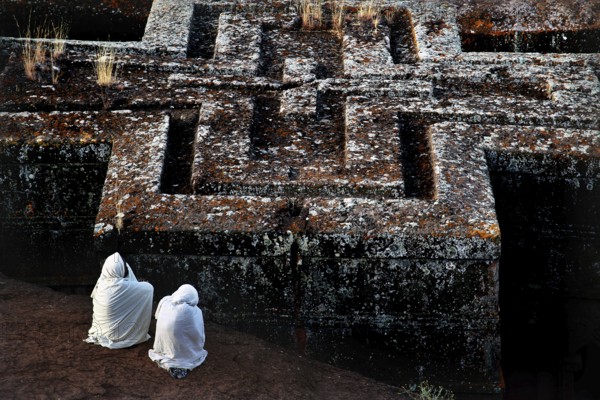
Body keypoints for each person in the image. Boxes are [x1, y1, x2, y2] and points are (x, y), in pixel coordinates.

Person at [85, 252, 153, 349]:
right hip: (121, 336)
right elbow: (149, 288)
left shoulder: (100, 284)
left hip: (101, 332)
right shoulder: (125, 287)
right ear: (121, 269)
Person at [148, 284, 208, 379]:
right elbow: (197, 334)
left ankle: (171, 359)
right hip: (182, 349)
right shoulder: (194, 311)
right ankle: (180, 361)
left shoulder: (166, 302)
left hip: (163, 346)